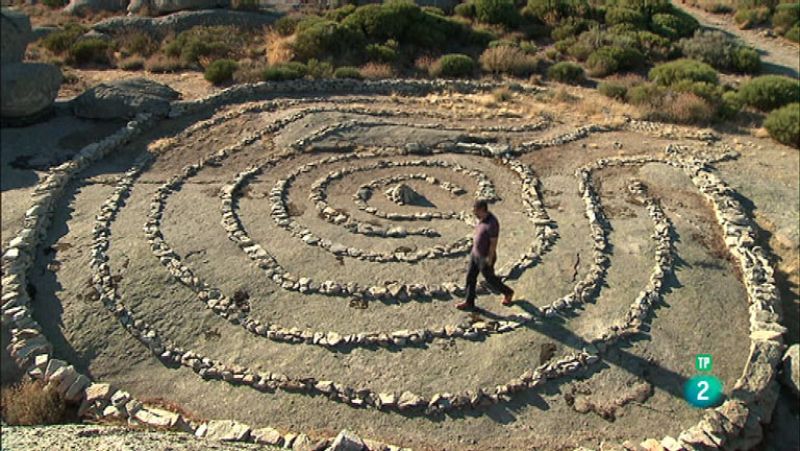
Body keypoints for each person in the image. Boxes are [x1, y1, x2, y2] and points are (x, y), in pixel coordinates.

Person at [456, 199, 514, 310]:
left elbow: (493, 243)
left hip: (485, 257)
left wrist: (490, 258)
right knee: (470, 278)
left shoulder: (492, 223)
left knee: (490, 279)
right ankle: (469, 302)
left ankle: (508, 292)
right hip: (475, 254)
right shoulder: (481, 219)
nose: (474, 214)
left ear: (482, 209)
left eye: (476, 211)